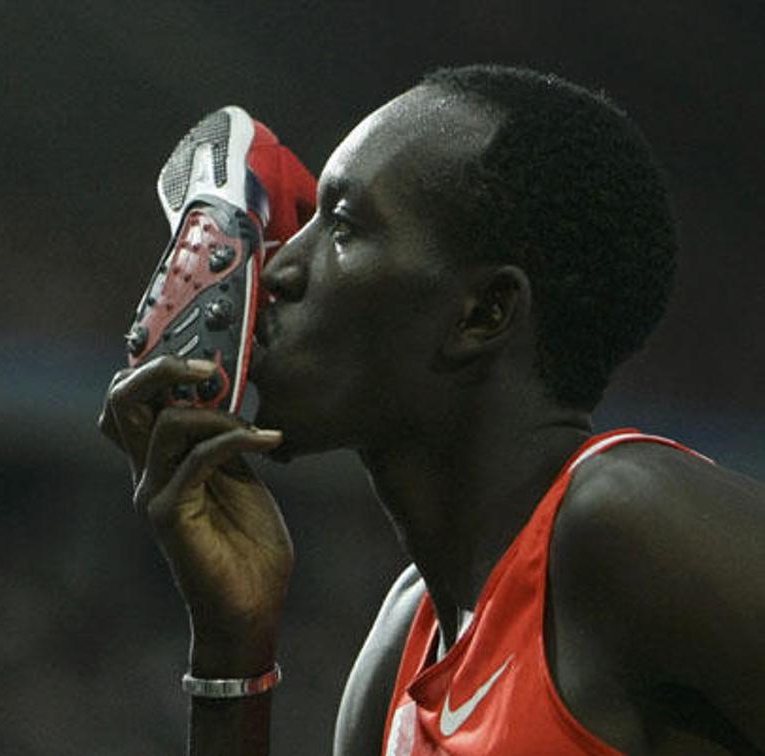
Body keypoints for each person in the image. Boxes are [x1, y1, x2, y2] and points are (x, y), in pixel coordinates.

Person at [98, 65, 765, 755]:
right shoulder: (400, 645)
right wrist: (231, 645)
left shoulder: (626, 522)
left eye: (342, 226)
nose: (279, 268)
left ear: (482, 314)